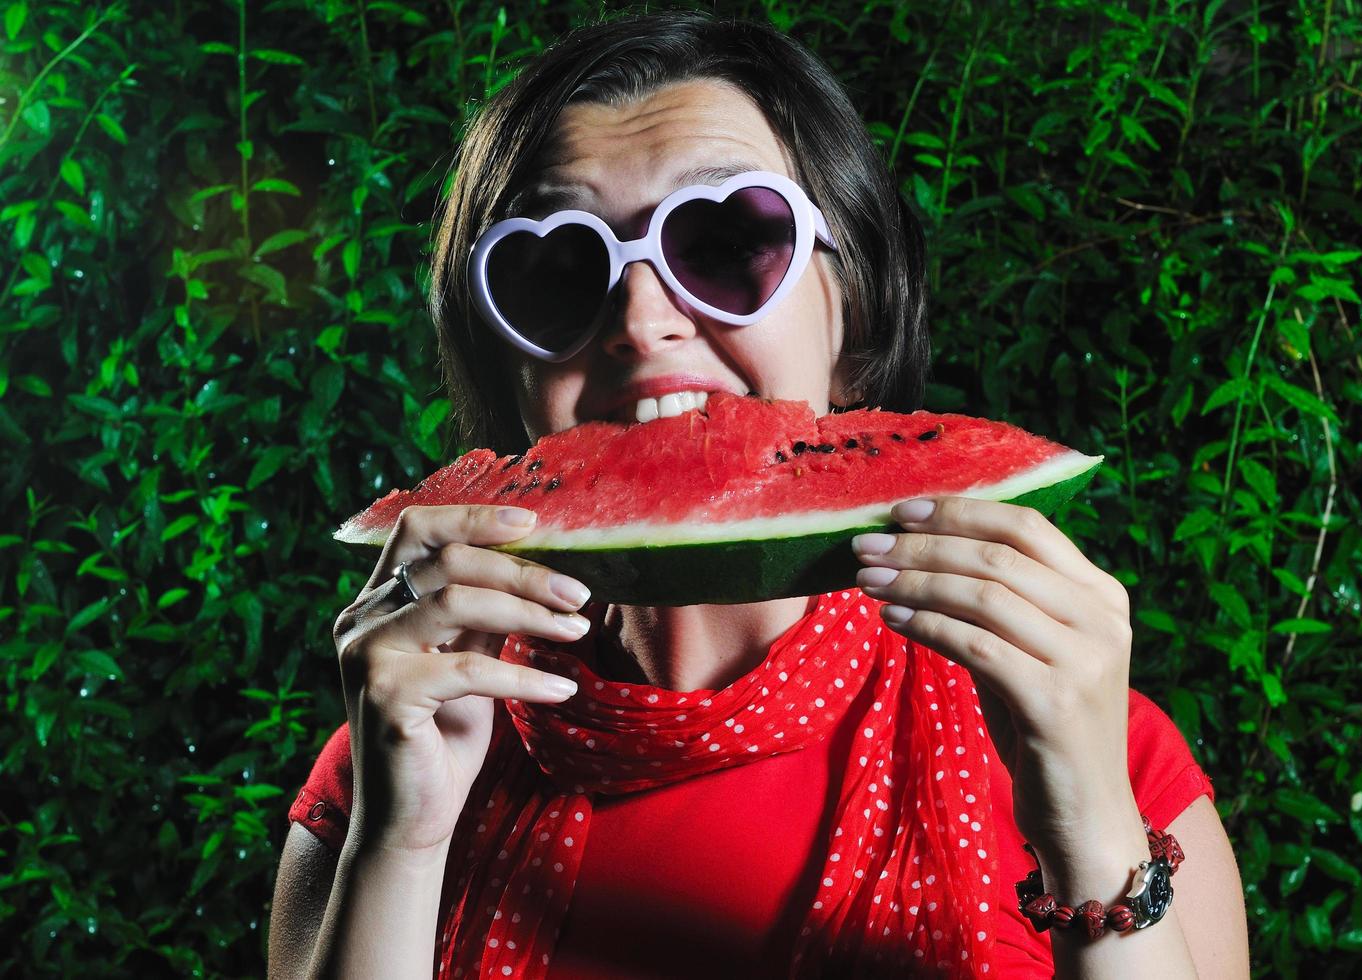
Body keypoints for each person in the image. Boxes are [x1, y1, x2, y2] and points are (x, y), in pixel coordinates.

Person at [268, 11, 1250, 979]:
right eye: (560, 268)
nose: (642, 318)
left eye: (729, 240)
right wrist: (399, 841)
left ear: (851, 307)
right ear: (509, 365)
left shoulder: (1092, 737)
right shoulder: (397, 746)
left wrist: (1086, 819)